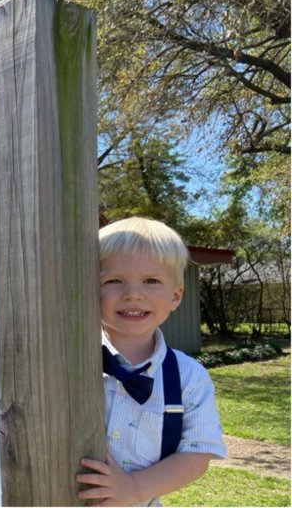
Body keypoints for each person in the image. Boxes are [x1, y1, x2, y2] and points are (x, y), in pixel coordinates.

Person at [76, 217, 226, 507]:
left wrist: (134, 488)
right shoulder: (64, 362)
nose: (133, 294)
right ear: (90, 289)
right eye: (114, 280)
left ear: (176, 295)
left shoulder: (189, 378)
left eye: (151, 281)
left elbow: (196, 455)